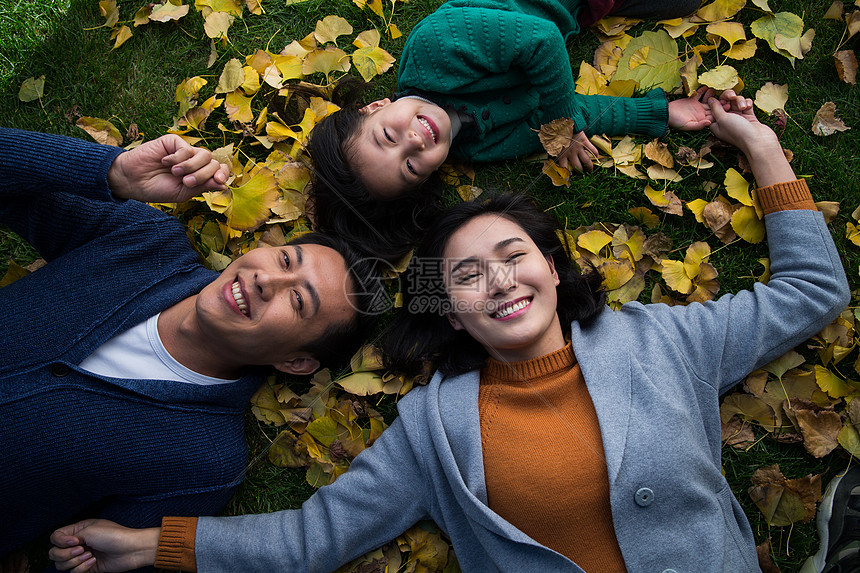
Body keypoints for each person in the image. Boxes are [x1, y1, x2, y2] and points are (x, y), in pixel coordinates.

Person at [47, 95, 850, 572]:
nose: (499, 279)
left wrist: (761, 143)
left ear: (551, 267)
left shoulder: (665, 340)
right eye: (468, 276)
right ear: (450, 310)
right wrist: (155, 546)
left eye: (513, 256)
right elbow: (310, 537)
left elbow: (813, 290)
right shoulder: (433, 428)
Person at [0, 128, 382, 563]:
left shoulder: (205, 461)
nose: (266, 279)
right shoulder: (144, 242)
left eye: (297, 300)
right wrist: (112, 170)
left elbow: (99, 555)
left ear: (295, 361)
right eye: (285, 260)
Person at [307, 0, 712, 260]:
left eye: (387, 137)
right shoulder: (482, 147)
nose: (413, 143)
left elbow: (543, 42)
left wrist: (564, 127)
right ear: (429, 177)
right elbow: (574, 112)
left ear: (375, 106)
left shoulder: (434, 48)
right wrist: (659, 112)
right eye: (410, 167)